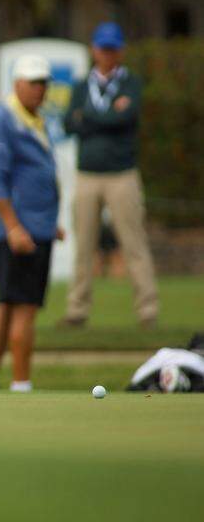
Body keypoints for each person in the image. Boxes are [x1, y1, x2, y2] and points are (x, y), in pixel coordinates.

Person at [0, 55, 63, 392]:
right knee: (23, 306)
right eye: (34, 82)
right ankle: (21, 383)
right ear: (17, 84)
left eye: (44, 83)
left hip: (33, 226)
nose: (40, 89)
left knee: (9, 302)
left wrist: (48, 222)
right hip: (16, 231)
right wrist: (14, 226)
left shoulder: (33, 118)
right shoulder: (1, 120)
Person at [61, 22, 159, 330]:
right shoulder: (80, 86)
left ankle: (147, 311)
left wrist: (89, 117)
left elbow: (125, 119)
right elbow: (68, 124)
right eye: (103, 48)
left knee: (134, 244)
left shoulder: (130, 83)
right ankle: (77, 310)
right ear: (94, 49)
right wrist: (107, 117)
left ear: (121, 50)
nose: (107, 54)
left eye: (113, 48)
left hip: (122, 174)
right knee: (83, 246)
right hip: (88, 175)